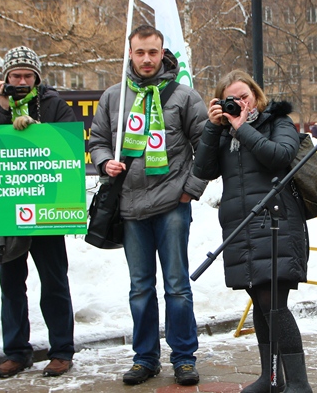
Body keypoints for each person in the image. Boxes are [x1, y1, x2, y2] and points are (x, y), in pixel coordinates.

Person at [88, 25, 208, 386]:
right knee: (140, 288)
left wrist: (191, 190)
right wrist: (104, 161)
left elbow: (207, 147)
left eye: (152, 52)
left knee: (176, 286)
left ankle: (184, 358)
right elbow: (96, 140)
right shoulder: (113, 97)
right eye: (139, 52)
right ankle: (145, 358)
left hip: (173, 204)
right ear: (130, 53)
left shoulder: (185, 96)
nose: (146, 59)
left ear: (162, 53)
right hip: (130, 208)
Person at [192, 70, 312, 393]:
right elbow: (202, 170)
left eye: (245, 96)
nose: (240, 103)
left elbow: (280, 157)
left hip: (276, 225)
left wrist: (241, 127)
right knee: (260, 303)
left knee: (274, 303)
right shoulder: (223, 132)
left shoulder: (278, 122)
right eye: (232, 99)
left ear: (256, 96)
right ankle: (271, 378)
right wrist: (211, 126)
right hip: (242, 229)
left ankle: (299, 383)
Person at [0, 45, 76, 379]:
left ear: (37, 76)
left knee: (54, 282)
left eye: (27, 75)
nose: (21, 80)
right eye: (15, 75)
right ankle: (17, 352)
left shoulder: (53, 104)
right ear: (5, 78)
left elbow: (68, 145)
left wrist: (37, 130)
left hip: (47, 208)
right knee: (11, 285)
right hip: (6, 211)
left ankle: (61, 350)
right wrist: (2, 108)